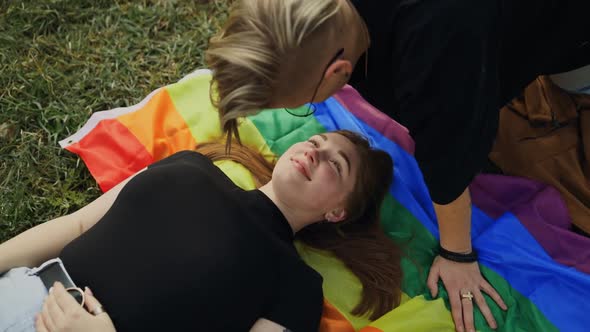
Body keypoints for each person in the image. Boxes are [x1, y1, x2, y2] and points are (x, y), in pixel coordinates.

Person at [207, 0, 590, 331]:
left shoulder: (435, 52)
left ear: (339, 73)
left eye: (301, 102)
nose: (311, 149)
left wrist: (457, 254)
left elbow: (449, 162)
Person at [0, 130, 401, 332]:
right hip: (21, 293)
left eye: (337, 164)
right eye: (316, 140)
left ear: (337, 212)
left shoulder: (298, 290)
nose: (316, 151)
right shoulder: (189, 166)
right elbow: (79, 223)